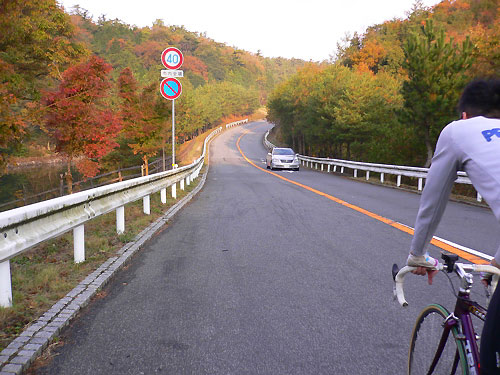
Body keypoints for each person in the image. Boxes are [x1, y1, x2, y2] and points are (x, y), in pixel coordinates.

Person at [406, 79, 500, 374]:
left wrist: (418, 254)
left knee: (490, 362)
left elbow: (432, 201)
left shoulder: (458, 131)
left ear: (464, 115)